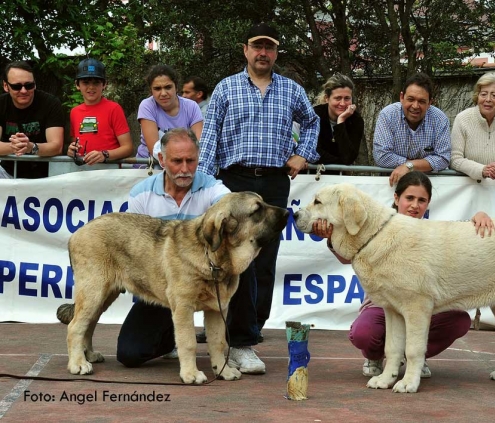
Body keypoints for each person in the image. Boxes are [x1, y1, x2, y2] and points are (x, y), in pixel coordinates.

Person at [198, 22, 320, 374]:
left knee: (264, 264)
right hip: (233, 181)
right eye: (257, 46)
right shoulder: (225, 88)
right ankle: (237, 337)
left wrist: (303, 154)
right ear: (245, 50)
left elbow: (312, 124)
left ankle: (248, 335)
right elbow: (209, 140)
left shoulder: (292, 91)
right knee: (234, 262)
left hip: (273, 183)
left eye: (269, 47)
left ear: (276, 52)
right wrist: (204, 183)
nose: (262, 53)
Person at [313, 171, 494, 378]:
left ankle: (414, 358)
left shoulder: (431, 228)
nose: (415, 205)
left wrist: (478, 217)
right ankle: (377, 356)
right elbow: (348, 256)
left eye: (421, 200)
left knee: (459, 320)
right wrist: (331, 238)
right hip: (380, 306)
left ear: (428, 203)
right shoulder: (374, 224)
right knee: (364, 334)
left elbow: (456, 234)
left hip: (422, 305)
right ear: (397, 198)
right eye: (409, 198)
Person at [116, 128, 230, 367]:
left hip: (206, 284)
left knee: (243, 265)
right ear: (162, 160)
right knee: (130, 354)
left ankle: (238, 345)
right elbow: (133, 249)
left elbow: (230, 210)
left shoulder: (213, 189)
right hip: (159, 288)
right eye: (177, 161)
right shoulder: (141, 194)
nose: (185, 168)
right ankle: (169, 339)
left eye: (191, 160)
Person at [373, 72, 451, 187]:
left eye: (421, 101)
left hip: (429, 185)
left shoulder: (440, 119)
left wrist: (408, 166)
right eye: (411, 99)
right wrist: (420, 164)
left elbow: (443, 158)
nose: (415, 106)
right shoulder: (387, 115)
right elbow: (381, 156)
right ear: (401, 97)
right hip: (391, 183)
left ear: (430, 103)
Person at [450, 72, 495, 180]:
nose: (488, 99)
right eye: (483, 94)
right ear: (477, 96)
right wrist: (482, 170)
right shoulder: (462, 119)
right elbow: (454, 159)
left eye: (494, 95)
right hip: (468, 188)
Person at [0, 61, 64, 178]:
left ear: (35, 84)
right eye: (16, 86)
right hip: (7, 172)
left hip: (46, 176)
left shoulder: (51, 103)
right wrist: (15, 146)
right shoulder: (1, 104)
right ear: (6, 86)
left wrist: (31, 147)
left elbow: (57, 146)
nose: (24, 91)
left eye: (29, 85)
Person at [66, 58, 133, 167]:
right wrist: (71, 151)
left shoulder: (114, 109)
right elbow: (75, 144)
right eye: (86, 82)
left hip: (109, 171)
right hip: (82, 172)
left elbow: (128, 148)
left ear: (104, 84)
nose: (91, 87)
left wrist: (105, 154)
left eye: (96, 82)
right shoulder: (74, 112)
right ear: (77, 85)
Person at [136, 64, 203, 164]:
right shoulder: (147, 106)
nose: (163, 93)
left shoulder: (192, 107)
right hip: (150, 165)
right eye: (157, 88)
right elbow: (154, 149)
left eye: (168, 87)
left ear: (176, 87)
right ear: (151, 90)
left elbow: (199, 144)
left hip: (185, 165)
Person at [313, 73, 363, 165]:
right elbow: (314, 151)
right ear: (327, 98)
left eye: (347, 98)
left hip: (340, 176)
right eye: (338, 98)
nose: (343, 103)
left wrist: (341, 122)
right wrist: (340, 162)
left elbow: (349, 157)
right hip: (312, 174)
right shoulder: (315, 115)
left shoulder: (356, 120)